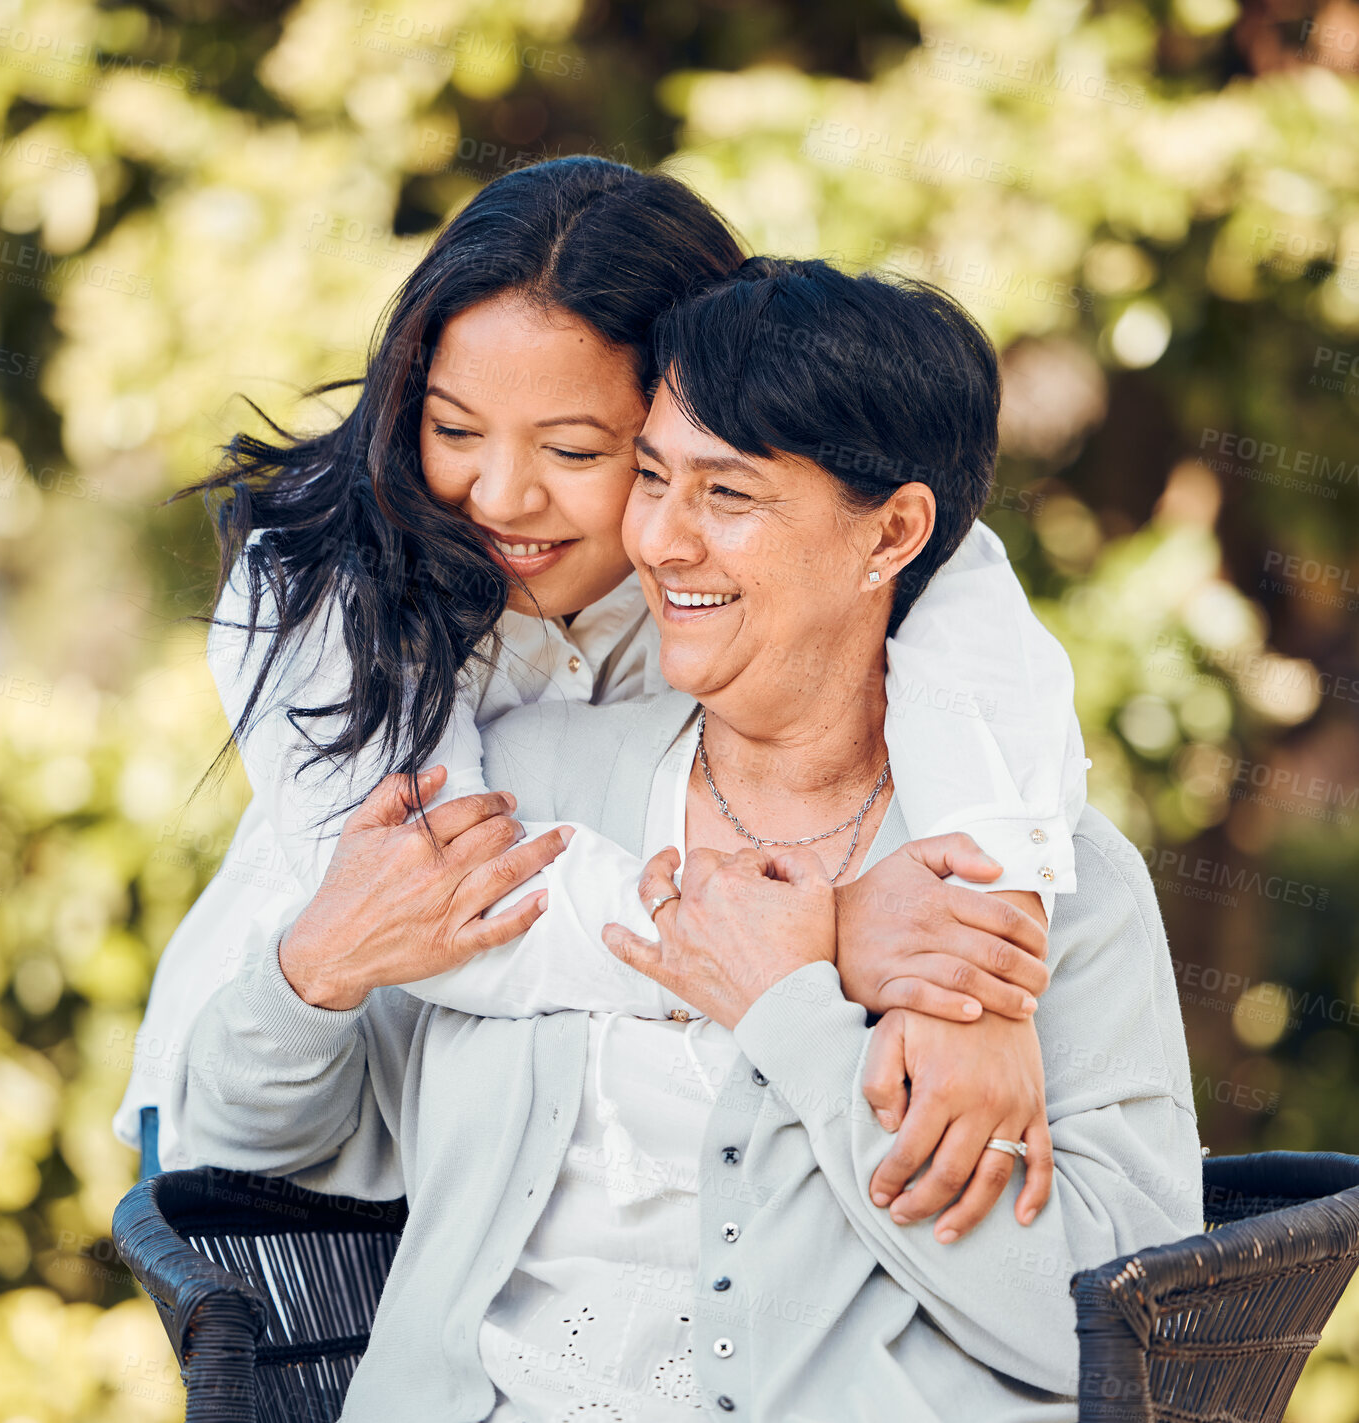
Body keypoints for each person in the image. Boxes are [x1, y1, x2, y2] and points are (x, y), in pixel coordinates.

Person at [176, 258, 1202, 1422]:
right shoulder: (520, 787)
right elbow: (246, 1161)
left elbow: (1114, 1332)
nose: (659, 539)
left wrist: (795, 1014)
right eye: (650, 475)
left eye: (727, 496)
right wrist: (310, 975)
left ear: (895, 532)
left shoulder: (1028, 886)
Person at [119, 156, 1080, 1203]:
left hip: (543, 1125)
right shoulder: (319, 582)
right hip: (291, 1097)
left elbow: (975, 614)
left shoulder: (716, 555)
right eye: (451, 430)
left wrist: (976, 976)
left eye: (575, 450)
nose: (499, 494)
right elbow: (436, 901)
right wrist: (826, 936)